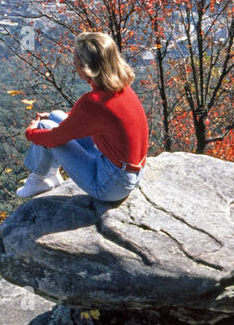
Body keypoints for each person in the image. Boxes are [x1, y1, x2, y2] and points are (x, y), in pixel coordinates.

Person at [18, 31, 150, 201]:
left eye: (76, 63)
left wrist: (31, 131)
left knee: (45, 127)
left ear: (88, 67)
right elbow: (91, 119)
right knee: (56, 116)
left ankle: (39, 180)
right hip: (129, 171)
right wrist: (58, 117)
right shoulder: (121, 88)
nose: (74, 66)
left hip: (111, 186)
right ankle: (50, 175)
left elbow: (53, 139)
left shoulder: (93, 102)